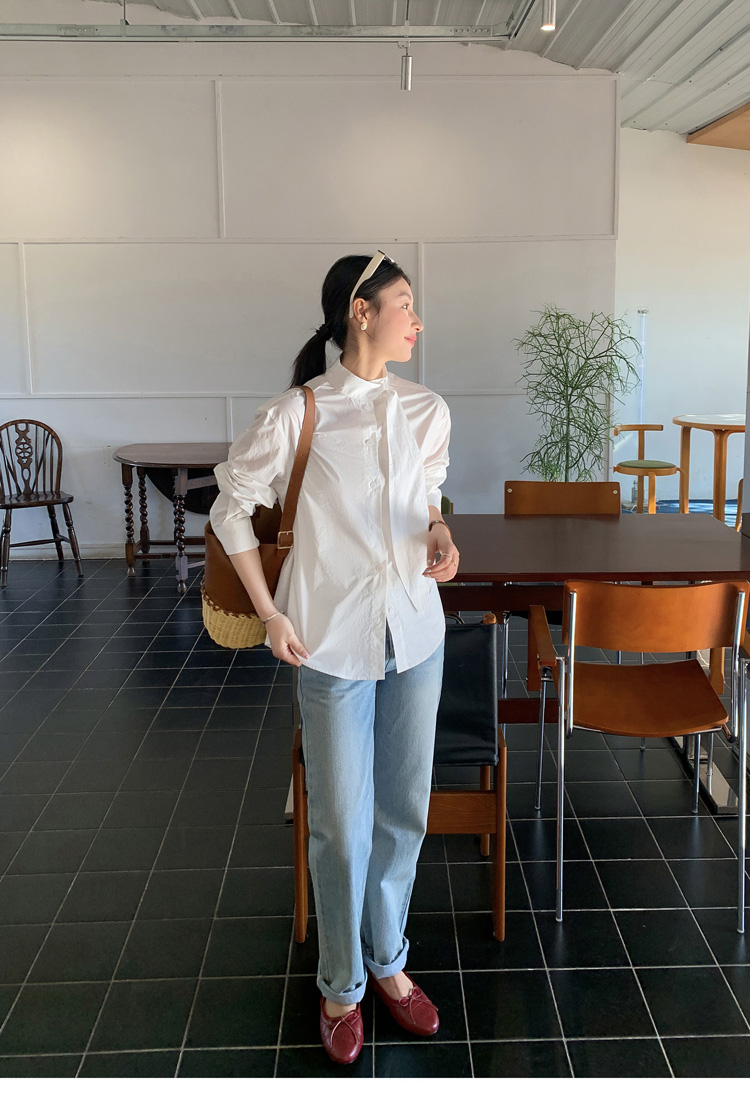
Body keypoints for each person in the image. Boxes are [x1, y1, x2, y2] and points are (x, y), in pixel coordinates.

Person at [209, 250, 460, 1065]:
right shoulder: (299, 413)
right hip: (328, 642)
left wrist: (440, 531)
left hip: (415, 634)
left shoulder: (426, 410)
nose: (416, 320)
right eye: (404, 303)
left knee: (405, 812)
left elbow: (427, 497)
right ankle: (341, 984)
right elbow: (231, 510)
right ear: (361, 311)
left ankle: (389, 963)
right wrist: (271, 611)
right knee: (341, 828)